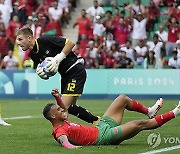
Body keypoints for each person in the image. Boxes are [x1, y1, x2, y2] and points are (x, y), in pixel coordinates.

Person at [43, 88, 180, 149]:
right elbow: (63, 140)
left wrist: (57, 97)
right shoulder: (59, 130)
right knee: (139, 124)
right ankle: (176, 112)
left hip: (100, 126)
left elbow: (65, 109)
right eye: (59, 109)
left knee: (122, 99)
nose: (63, 109)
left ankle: (149, 111)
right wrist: (71, 147)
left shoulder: (62, 120)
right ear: (53, 116)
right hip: (103, 137)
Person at [16, 26, 99, 124]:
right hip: (65, 76)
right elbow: (49, 70)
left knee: (60, 109)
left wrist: (58, 59)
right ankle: (97, 121)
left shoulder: (45, 40)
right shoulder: (33, 55)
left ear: (29, 38)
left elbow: (71, 43)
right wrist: (44, 75)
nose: (18, 42)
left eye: (20, 39)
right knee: (70, 108)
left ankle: (63, 133)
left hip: (75, 70)